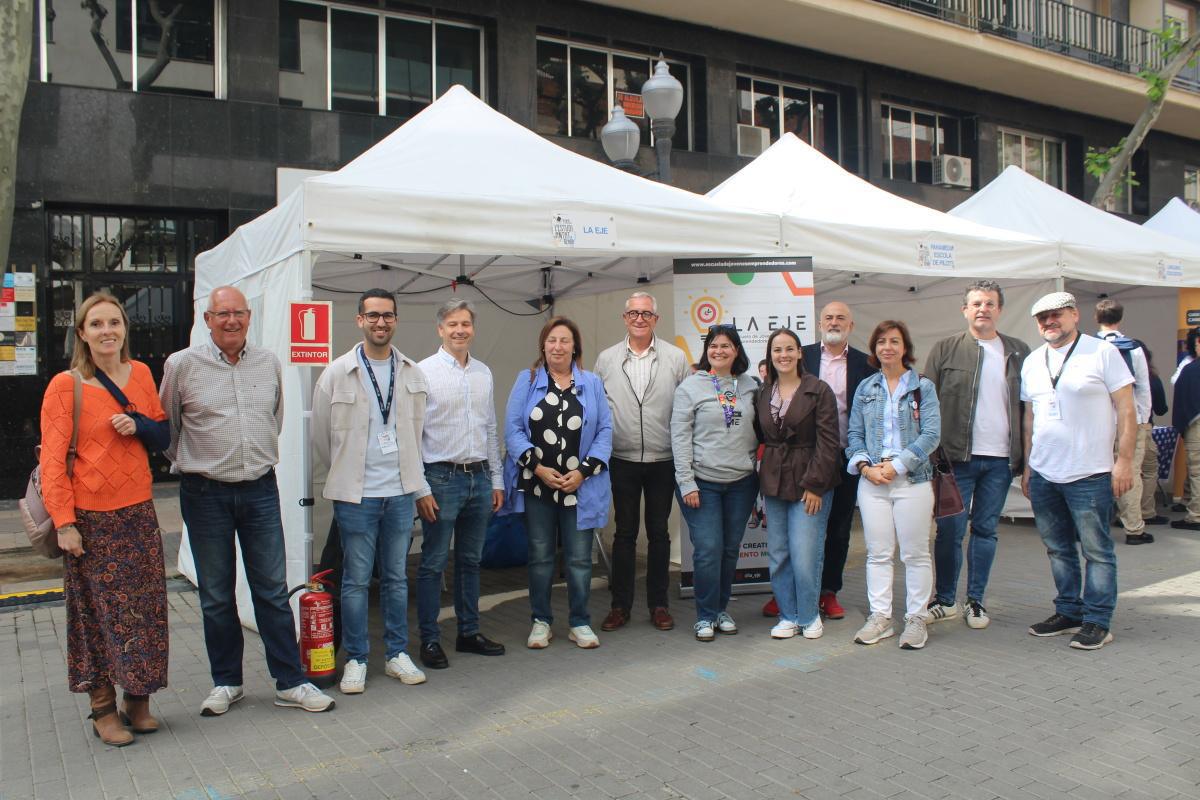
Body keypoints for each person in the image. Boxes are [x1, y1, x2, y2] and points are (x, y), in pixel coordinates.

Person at [161, 286, 334, 715]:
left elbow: (275, 419)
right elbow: (169, 430)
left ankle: (290, 682)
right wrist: (203, 461)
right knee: (216, 595)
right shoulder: (181, 365)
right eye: (222, 314)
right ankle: (227, 682)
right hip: (205, 492)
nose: (231, 321)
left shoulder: (268, 362)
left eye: (238, 313)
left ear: (249, 316)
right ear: (207, 319)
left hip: (259, 488)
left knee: (272, 591)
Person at [40, 292, 170, 746]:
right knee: (96, 616)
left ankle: (138, 699)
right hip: (91, 520)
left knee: (145, 610)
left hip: (138, 511)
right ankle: (102, 708)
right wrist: (64, 523)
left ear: (124, 329)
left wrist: (139, 425)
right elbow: (53, 463)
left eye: (114, 322)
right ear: (82, 333)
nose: (107, 331)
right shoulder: (66, 386)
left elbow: (161, 433)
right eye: (96, 324)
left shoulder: (143, 374)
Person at [311, 289, 431, 694]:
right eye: (373, 316)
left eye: (388, 316)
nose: (381, 322)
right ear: (359, 320)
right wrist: (347, 474)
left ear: (395, 320)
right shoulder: (336, 373)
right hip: (356, 497)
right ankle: (357, 659)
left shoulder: (412, 372)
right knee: (356, 582)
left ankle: (397, 654)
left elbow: (418, 433)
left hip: (399, 493)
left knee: (396, 579)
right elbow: (322, 438)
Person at [1021, 292, 1136, 651]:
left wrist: (1124, 461)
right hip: (1044, 472)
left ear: (1074, 314)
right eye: (1042, 318)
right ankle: (1068, 611)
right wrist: (1028, 467)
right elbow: (1030, 418)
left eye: (1056, 314)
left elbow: (1127, 409)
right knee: (1058, 549)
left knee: (1097, 551)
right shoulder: (1033, 361)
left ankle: (1097, 620)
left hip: (1090, 472)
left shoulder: (1102, 352)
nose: (1049, 322)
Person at [924, 281, 1031, 629]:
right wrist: (931, 455)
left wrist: (1028, 461)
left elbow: (1030, 409)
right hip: (955, 460)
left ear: (999, 309)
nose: (983, 309)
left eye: (989, 303)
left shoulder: (1018, 351)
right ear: (965, 310)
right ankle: (945, 600)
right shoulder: (946, 349)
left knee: (986, 530)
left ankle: (976, 601)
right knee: (949, 531)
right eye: (976, 304)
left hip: (1000, 460)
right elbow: (926, 403)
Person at [504, 317, 612, 650]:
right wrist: (538, 469)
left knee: (579, 559)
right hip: (538, 485)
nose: (558, 346)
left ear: (575, 346)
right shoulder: (527, 379)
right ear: (543, 345)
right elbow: (512, 431)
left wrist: (582, 472)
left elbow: (605, 431)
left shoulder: (592, 383)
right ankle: (541, 621)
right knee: (540, 557)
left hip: (580, 486)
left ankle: (580, 622)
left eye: (564, 340)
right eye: (552, 340)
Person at [415, 299, 507, 669]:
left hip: (479, 478)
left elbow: (490, 428)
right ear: (440, 329)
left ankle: (468, 632)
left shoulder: (483, 372)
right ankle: (429, 639)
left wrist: (497, 479)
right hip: (440, 478)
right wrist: (421, 488)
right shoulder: (423, 372)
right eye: (452, 324)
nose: (459, 330)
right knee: (434, 563)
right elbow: (413, 433)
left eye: (465, 324)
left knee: (471, 561)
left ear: (473, 329)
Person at [773, 300, 876, 621]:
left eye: (840, 318)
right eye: (828, 317)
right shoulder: (801, 356)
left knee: (839, 528)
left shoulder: (865, 364)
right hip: (802, 457)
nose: (834, 322)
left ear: (851, 325)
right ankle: (789, 593)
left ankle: (828, 591)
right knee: (794, 533)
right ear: (819, 324)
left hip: (846, 456)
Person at [593, 292, 690, 633]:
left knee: (659, 533)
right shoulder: (606, 359)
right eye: (633, 313)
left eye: (646, 313)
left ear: (656, 320)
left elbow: (686, 409)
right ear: (624, 318)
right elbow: (596, 409)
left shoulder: (676, 358)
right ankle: (620, 606)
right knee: (624, 534)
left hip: (663, 459)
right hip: (622, 459)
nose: (639, 318)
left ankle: (658, 605)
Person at [847, 320, 940, 651]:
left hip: (911, 479)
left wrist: (897, 465)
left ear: (905, 348)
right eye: (881, 341)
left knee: (915, 553)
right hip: (873, 480)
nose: (888, 347)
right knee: (878, 553)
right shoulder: (866, 387)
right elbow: (854, 434)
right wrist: (865, 467)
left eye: (894, 341)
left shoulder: (922, 387)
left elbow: (931, 434)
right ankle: (881, 617)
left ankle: (916, 618)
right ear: (874, 348)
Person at [671, 324, 760, 642]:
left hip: (742, 483)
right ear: (706, 350)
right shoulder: (690, 387)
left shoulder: (751, 385)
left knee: (729, 549)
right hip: (702, 483)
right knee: (708, 549)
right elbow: (679, 437)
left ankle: (721, 609)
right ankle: (705, 616)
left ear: (737, 351)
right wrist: (686, 483)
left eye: (726, 346)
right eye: (713, 345)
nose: (718, 351)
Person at [755, 328, 841, 640]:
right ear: (770, 355)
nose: (784, 355)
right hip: (774, 481)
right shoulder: (764, 392)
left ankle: (808, 615)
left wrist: (815, 485)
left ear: (800, 352)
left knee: (805, 554)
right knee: (779, 554)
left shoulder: (818, 390)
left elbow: (829, 443)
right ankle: (788, 615)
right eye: (777, 350)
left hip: (810, 481)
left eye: (789, 349)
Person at [1095, 298, 1155, 545]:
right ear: (1120, 319)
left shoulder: (1089, 346)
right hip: (1130, 420)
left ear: (1096, 318)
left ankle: (1093, 526)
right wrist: (1143, 418)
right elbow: (1143, 386)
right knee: (1130, 472)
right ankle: (1134, 529)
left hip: (1098, 421)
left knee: (1094, 474)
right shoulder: (1134, 348)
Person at [1170, 355, 1200, 532]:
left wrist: (1181, 424)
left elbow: (1181, 396)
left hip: (1196, 423)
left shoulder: (1191, 369)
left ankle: (1196, 516)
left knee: (1197, 470)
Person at [1140, 347, 1169, 527]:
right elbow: (1161, 408)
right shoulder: (1150, 378)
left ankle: (1123, 514)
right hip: (1142, 427)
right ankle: (1145, 512)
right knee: (1148, 470)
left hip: (1111, 429)